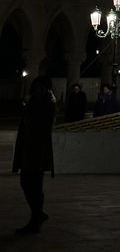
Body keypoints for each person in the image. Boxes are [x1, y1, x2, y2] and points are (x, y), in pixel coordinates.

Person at [12, 75, 56, 235]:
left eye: (41, 87)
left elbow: (39, 125)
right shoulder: (34, 102)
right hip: (28, 149)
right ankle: (38, 214)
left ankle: (35, 218)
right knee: (27, 182)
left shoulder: (46, 104)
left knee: (34, 185)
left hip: (37, 150)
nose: (38, 90)